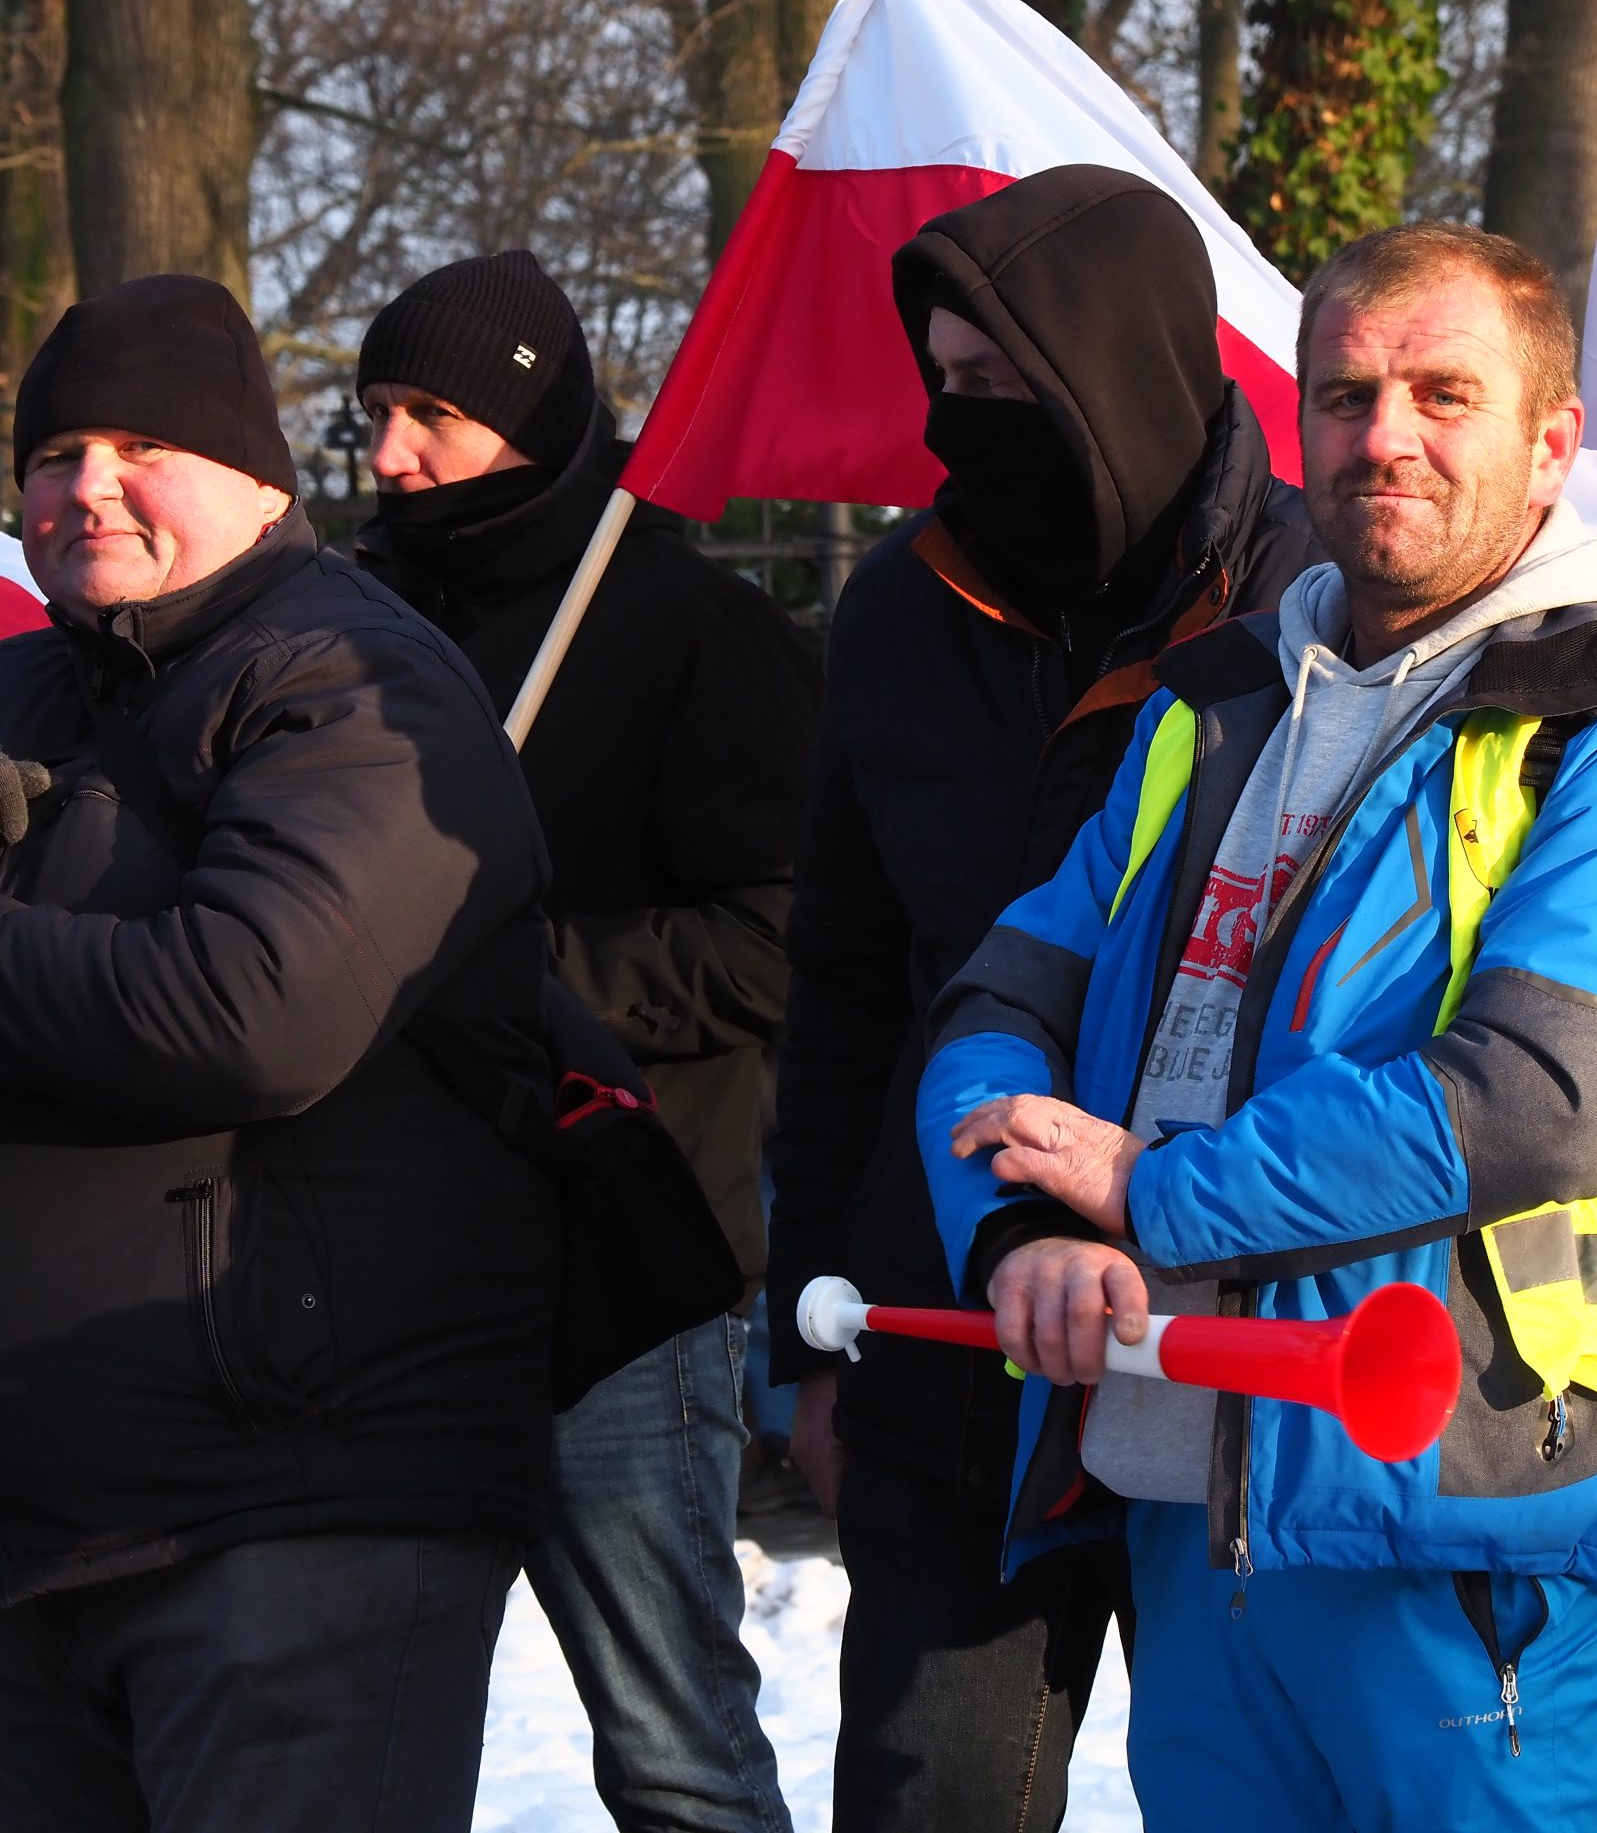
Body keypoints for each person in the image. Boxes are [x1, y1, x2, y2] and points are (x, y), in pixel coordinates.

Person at [913, 220, 1597, 1831]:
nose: (1384, 436)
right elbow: (998, 1002)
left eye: (1443, 394)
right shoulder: (1218, 698)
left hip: (1471, 1515)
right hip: (1193, 1496)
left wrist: (1150, 1193)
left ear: (1552, 444)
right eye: (1345, 394)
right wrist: (1019, 1229)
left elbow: (1541, 1094)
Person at [764, 164, 1317, 1831]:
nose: (960, 424)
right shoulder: (899, 607)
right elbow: (845, 989)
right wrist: (817, 1325)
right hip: (947, 1323)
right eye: (944, 382)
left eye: (1002, 384)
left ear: (1118, 369)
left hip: (1231, 1323)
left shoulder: (1317, 604)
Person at [0, 274, 559, 1829]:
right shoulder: (29, 688)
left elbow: (252, 1007)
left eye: (143, 447)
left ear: (258, 481)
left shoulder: (352, 675)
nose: (88, 485)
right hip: (50, 1522)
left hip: (297, 1502)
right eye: (52, 454)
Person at [352, 250, 814, 1833]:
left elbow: (778, 942)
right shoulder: (348, 622)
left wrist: (512, 972)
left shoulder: (693, 628)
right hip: (381, 1268)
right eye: (374, 414)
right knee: (360, 1735)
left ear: (535, 424)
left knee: (670, 1741)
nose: (392, 455)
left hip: (622, 1260)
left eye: (433, 416)